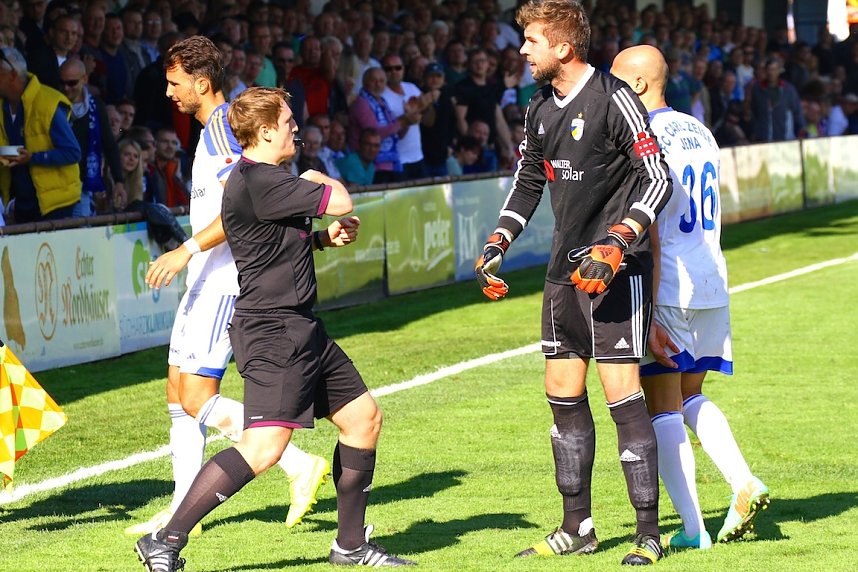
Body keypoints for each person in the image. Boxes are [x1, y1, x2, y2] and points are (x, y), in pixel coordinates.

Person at [135, 85, 416, 571]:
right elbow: (342, 197)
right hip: (275, 332)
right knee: (264, 447)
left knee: (363, 419)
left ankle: (349, 546)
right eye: (288, 121)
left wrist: (323, 238)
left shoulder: (258, 180)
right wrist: (316, 178)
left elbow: (275, 242)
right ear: (265, 131)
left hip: (300, 326)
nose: (295, 128)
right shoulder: (266, 180)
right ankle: (167, 538)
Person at [473, 1, 672, 565]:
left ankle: (647, 534)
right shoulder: (537, 107)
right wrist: (499, 241)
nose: (522, 49)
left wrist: (618, 240)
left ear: (562, 47)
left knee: (622, 399)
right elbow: (528, 181)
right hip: (564, 274)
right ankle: (576, 527)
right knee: (561, 396)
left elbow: (658, 179)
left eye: (531, 40)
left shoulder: (616, 99)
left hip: (615, 271)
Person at [125, 36, 331, 539]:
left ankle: (297, 462)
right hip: (204, 280)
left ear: (201, 81)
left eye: (175, 83)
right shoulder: (208, 130)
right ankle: (181, 512)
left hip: (223, 281)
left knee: (196, 396)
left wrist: (186, 249)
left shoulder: (221, 129)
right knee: (177, 392)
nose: (169, 92)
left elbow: (238, 206)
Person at [611, 44, 770, 550]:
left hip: (670, 280)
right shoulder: (698, 128)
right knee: (690, 394)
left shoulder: (641, 137)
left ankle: (694, 529)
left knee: (660, 403)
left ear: (637, 85)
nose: (610, 95)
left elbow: (651, 226)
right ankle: (742, 482)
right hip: (711, 276)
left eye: (616, 83)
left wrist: (650, 305)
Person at [0, 46, 81, 224]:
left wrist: (33, 157)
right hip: (20, 204)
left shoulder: (48, 102)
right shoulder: (2, 106)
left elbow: (73, 152)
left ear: (12, 75)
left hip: (56, 205)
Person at [59, 57, 125, 216]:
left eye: (72, 83)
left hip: (82, 185)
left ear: (84, 79)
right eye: (62, 83)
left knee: (79, 235)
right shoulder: (54, 105)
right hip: (57, 184)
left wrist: (119, 181)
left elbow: (109, 143)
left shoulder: (96, 106)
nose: (66, 88)